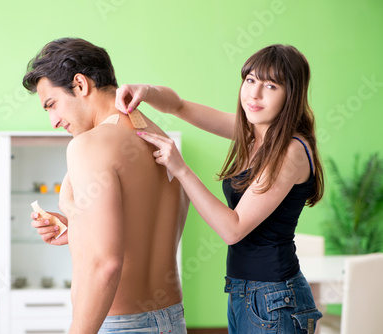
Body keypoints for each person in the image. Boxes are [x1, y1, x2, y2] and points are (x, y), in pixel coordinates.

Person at [116, 44, 324, 333]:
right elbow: (178, 106)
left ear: (292, 95)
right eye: (250, 80)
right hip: (247, 293)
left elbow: (233, 229)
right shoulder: (251, 134)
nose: (254, 93)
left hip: (274, 298)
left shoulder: (291, 151)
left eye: (270, 85)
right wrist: (146, 91)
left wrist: (181, 169)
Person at [23, 38, 190, 334]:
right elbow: (138, 230)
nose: (53, 121)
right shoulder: (157, 135)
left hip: (120, 324)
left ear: (80, 84)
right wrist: (77, 225)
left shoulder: (88, 145)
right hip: (171, 319)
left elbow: (106, 264)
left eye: (52, 105)